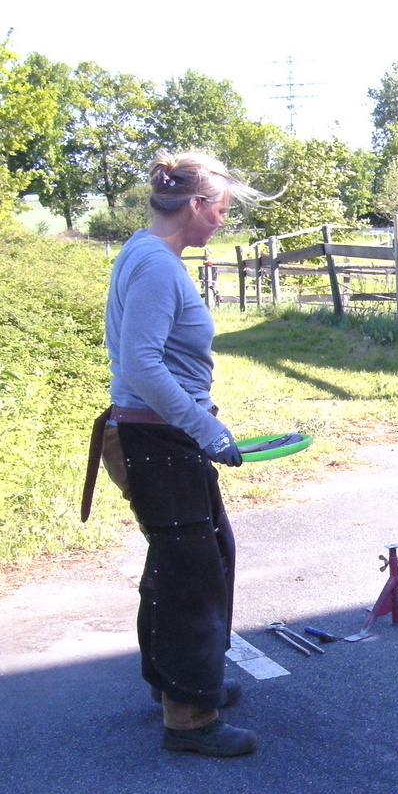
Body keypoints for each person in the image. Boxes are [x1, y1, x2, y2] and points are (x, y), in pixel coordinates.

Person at [101, 151, 268, 757]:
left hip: (163, 435)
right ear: (195, 205)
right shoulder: (154, 266)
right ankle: (189, 718)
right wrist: (207, 429)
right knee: (192, 574)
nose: (222, 220)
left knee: (195, 557)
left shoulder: (152, 257)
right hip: (159, 438)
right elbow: (142, 365)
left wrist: (196, 427)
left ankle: (177, 683)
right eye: (220, 208)